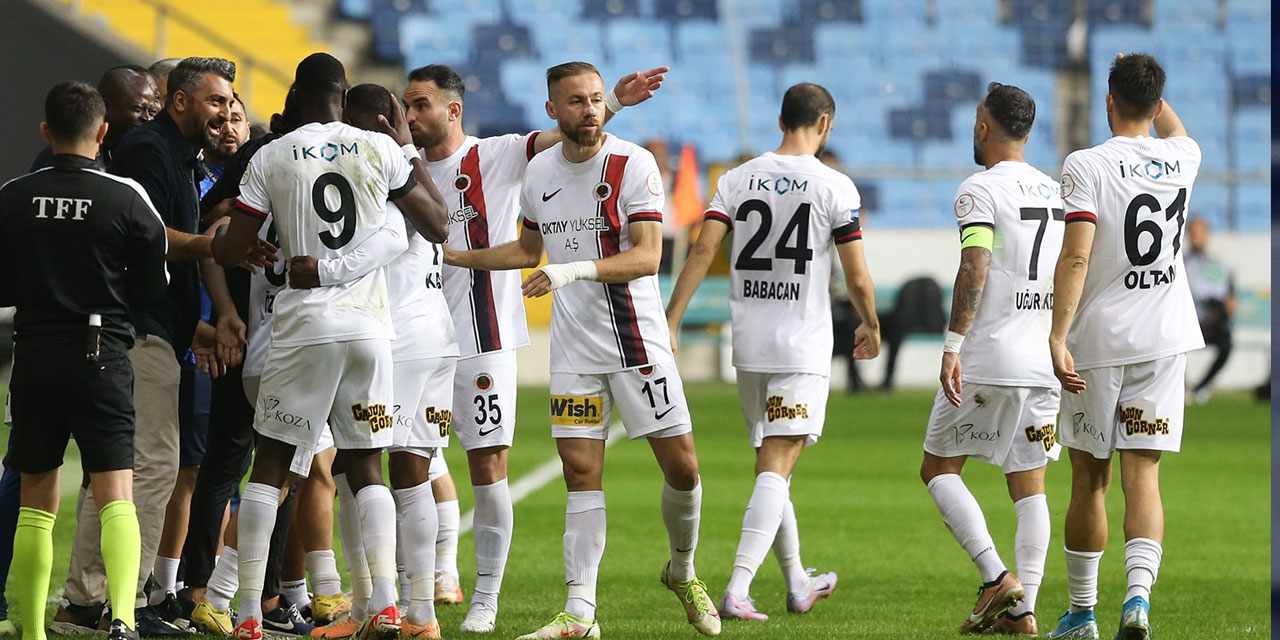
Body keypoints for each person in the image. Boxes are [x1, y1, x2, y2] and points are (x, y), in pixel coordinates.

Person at [446, 61, 719, 640]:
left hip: (637, 342)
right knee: (579, 472)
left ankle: (683, 569)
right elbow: (526, 249)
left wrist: (569, 272)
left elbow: (648, 257)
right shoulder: (539, 172)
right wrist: (455, 256)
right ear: (553, 111)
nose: (589, 110)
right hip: (574, 352)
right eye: (575, 101)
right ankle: (580, 613)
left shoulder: (633, 163)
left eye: (596, 99)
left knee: (684, 470)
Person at [399, 61, 666, 631]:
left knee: (488, 464)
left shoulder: (493, 155)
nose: (411, 115)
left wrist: (611, 103)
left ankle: (485, 596)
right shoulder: (398, 167)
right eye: (406, 105)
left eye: (420, 104)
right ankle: (417, 591)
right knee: (409, 463)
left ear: (453, 109)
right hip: (414, 337)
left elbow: (568, 132)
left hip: (483, 335)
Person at [212, 52, 449, 640]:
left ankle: (245, 612)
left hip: (304, 330)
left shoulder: (271, 154)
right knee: (367, 465)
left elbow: (232, 243)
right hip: (371, 331)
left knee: (271, 464)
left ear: (296, 95)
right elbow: (438, 224)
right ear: (344, 98)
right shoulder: (380, 148)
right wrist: (403, 152)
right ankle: (389, 605)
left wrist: (245, 250)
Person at [666, 83, 879, 622]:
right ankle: (736, 588)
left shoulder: (736, 179)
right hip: (800, 347)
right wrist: (871, 323)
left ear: (780, 118)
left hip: (750, 346)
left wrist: (672, 319)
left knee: (771, 466)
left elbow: (703, 248)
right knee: (776, 468)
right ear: (824, 124)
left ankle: (798, 582)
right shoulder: (835, 186)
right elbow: (853, 271)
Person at [53, 56, 246, 639]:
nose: (224, 114)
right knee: (149, 466)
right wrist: (221, 248)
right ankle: (119, 603)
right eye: (215, 101)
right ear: (180, 100)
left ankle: (88, 602)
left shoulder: (177, 155)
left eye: (228, 103)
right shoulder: (148, 151)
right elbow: (149, 240)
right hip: (135, 335)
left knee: (123, 470)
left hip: (153, 331)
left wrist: (199, 326)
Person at [1, 80, 168, 640]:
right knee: (115, 490)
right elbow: (153, 288)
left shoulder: (13, 195)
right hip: (102, 356)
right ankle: (121, 618)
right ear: (102, 132)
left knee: (35, 499)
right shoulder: (126, 196)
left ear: (46, 132)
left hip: (36, 356)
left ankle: (31, 632)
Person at [1047, 53, 1202, 640]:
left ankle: (1083, 613)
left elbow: (1077, 254)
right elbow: (1175, 128)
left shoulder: (1086, 164)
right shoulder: (1184, 157)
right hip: (1165, 340)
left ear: (1108, 101)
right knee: (1145, 477)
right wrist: (1155, 96)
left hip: (1100, 341)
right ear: (1158, 103)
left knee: (1090, 479)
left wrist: (1057, 334)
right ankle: (1137, 601)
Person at [919, 83, 1063, 636]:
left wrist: (952, 344)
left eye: (976, 121)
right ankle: (1023, 613)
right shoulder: (1055, 191)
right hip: (1042, 357)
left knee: (937, 468)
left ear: (985, 128)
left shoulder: (978, 190)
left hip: (991, 355)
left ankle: (996, 577)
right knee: (1030, 483)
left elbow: (974, 267)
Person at [152, 94, 253, 605]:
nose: (230, 126)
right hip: (197, 336)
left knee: (229, 471)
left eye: (239, 117)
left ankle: (207, 579)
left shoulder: (253, 186)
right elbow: (196, 249)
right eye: (223, 116)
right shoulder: (194, 181)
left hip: (233, 338)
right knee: (190, 465)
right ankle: (173, 584)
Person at [31, 65, 159, 171]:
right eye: (138, 109)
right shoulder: (63, 154)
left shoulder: (149, 155)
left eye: (151, 111)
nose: (147, 118)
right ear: (106, 107)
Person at [1183, 217, 1235, 403]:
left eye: (1200, 232)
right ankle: (1182, 387)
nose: (1196, 237)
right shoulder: (1181, 263)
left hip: (1210, 321)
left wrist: (1225, 308)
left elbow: (1230, 297)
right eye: (1193, 232)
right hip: (1187, 320)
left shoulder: (1220, 264)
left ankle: (1200, 387)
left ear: (1207, 234)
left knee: (1227, 344)